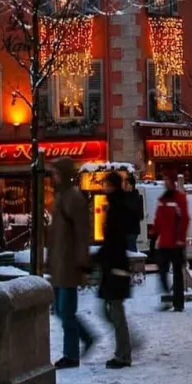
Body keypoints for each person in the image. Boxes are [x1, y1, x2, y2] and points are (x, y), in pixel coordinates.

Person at [46, 158, 97, 369]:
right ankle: (86, 337)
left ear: (64, 174)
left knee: (66, 312)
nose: (53, 177)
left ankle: (71, 355)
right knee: (60, 311)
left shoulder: (74, 198)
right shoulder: (60, 197)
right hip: (59, 263)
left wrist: (82, 261)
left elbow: (82, 233)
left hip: (68, 264)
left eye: (56, 173)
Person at [96, 171, 135, 368]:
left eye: (107, 184)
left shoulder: (117, 208)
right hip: (113, 265)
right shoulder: (116, 206)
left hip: (116, 267)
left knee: (115, 311)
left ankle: (124, 354)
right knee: (109, 310)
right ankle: (127, 344)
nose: (104, 188)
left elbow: (114, 241)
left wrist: (99, 257)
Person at [152, 171, 188, 312]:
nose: (165, 182)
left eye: (167, 180)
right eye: (164, 180)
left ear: (173, 182)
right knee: (162, 271)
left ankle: (178, 303)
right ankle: (168, 297)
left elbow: (184, 219)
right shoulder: (163, 199)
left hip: (175, 241)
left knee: (177, 274)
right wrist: (154, 233)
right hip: (164, 241)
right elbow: (158, 219)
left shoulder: (179, 198)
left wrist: (180, 239)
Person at [123, 171, 143, 256]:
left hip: (131, 230)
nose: (125, 186)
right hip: (127, 230)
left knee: (131, 251)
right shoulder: (127, 196)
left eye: (126, 184)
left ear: (131, 185)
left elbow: (138, 214)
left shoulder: (134, 197)